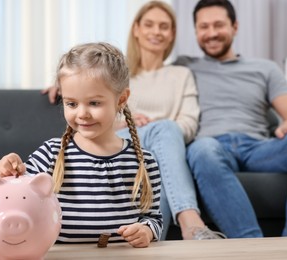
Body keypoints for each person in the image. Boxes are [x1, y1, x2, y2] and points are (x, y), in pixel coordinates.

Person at [44, 1, 225, 240]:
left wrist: (154, 127)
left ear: (172, 34)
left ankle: (151, 237)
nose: (156, 31)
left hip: (164, 143)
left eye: (164, 26)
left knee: (164, 136)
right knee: (164, 131)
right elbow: (90, 99)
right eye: (149, 24)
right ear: (136, 29)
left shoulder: (181, 74)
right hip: (119, 136)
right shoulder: (112, 72)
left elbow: (189, 124)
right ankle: (190, 221)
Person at [0, 42, 163, 247]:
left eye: (94, 103)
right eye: (72, 104)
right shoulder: (50, 153)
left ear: (121, 99)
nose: (82, 113)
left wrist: (146, 231)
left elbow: (154, 218)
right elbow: (16, 195)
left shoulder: (144, 162)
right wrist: (8, 171)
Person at [174, 0, 287, 241]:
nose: (212, 33)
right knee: (202, 150)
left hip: (258, 147)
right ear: (195, 31)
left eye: (219, 25)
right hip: (210, 146)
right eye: (204, 27)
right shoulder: (183, 68)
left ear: (234, 27)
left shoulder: (265, 68)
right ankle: (253, 248)